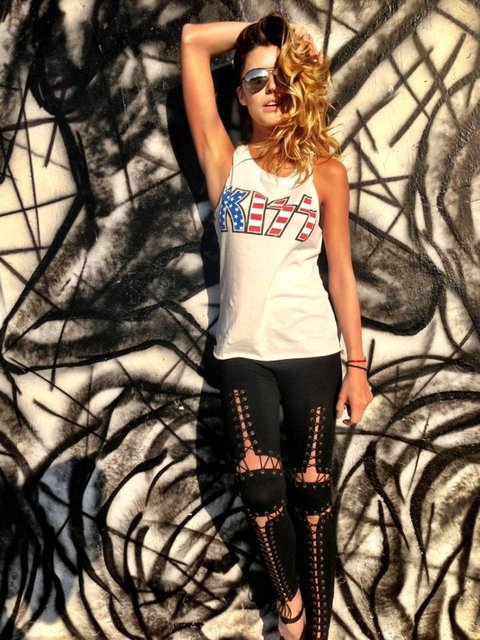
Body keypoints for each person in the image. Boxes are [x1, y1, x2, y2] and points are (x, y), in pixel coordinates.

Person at [181, 14, 372, 640]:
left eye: (284, 77)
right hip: (242, 352)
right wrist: (276, 34)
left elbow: (341, 273)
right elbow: (192, 41)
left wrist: (357, 368)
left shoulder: (326, 171)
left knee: (314, 496)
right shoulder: (226, 161)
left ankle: (317, 628)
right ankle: (291, 611)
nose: (272, 89)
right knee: (262, 493)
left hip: (312, 351)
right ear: (239, 94)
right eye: (256, 79)